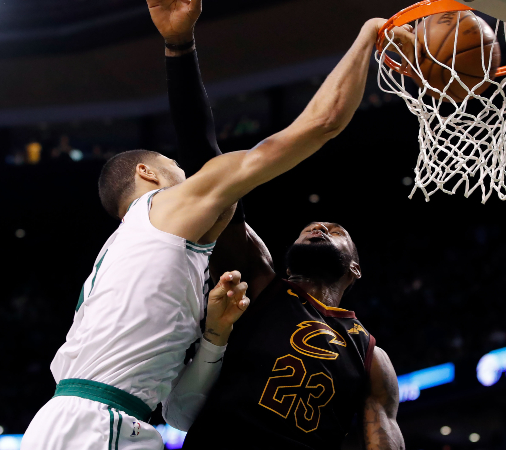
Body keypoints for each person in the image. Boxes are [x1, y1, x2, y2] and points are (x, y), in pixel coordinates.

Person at [21, 0, 410, 447]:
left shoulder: (138, 249)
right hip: (101, 425)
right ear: (149, 176)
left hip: (97, 420)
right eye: (176, 167)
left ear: (356, 268)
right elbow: (306, 126)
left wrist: (215, 335)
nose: (191, 176)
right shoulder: (170, 213)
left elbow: (183, 412)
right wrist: (369, 34)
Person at [153, 0, 409, 447]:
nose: (319, 226)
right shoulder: (260, 281)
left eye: (335, 230)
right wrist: (179, 46)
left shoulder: (370, 357)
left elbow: (383, 439)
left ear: (355, 270)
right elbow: (204, 165)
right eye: (312, 226)